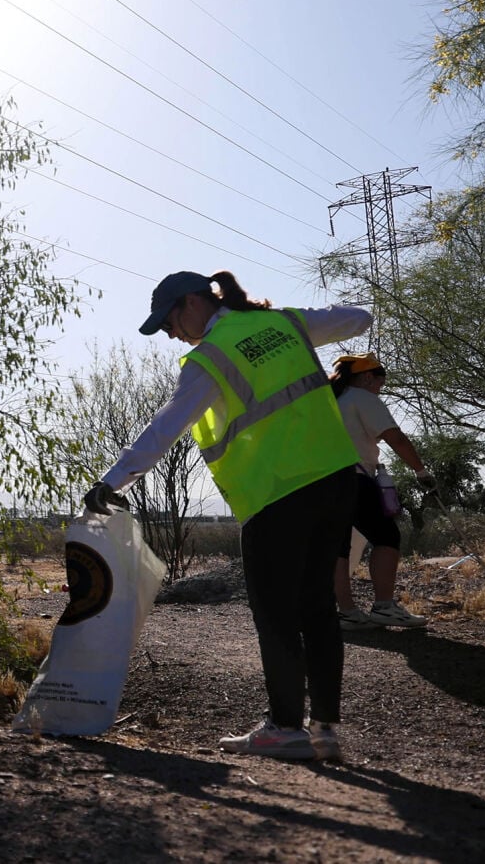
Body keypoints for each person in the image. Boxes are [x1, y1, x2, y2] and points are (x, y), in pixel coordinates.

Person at [84, 270, 370, 761]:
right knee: (318, 607)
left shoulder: (210, 358)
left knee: (276, 614)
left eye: (170, 321)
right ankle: (325, 729)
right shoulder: (284, 323)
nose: (171, 333)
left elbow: (166, 426)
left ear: (193, 303)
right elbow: (358, 318)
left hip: (276, 492)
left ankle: (286, 728)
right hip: (335, 478)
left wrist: (113, 481)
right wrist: (279, 323)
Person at [327, 354, 437, 630]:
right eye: (380, 384)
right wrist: (421, 472)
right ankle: (384, 607)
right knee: (387, 536)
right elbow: (395, 438)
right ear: (367, 377)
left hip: (321, 481)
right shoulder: (362, 398)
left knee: (338, 546)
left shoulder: (329, 400)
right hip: (351, 479)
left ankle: (346, 612)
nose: (379, 390)